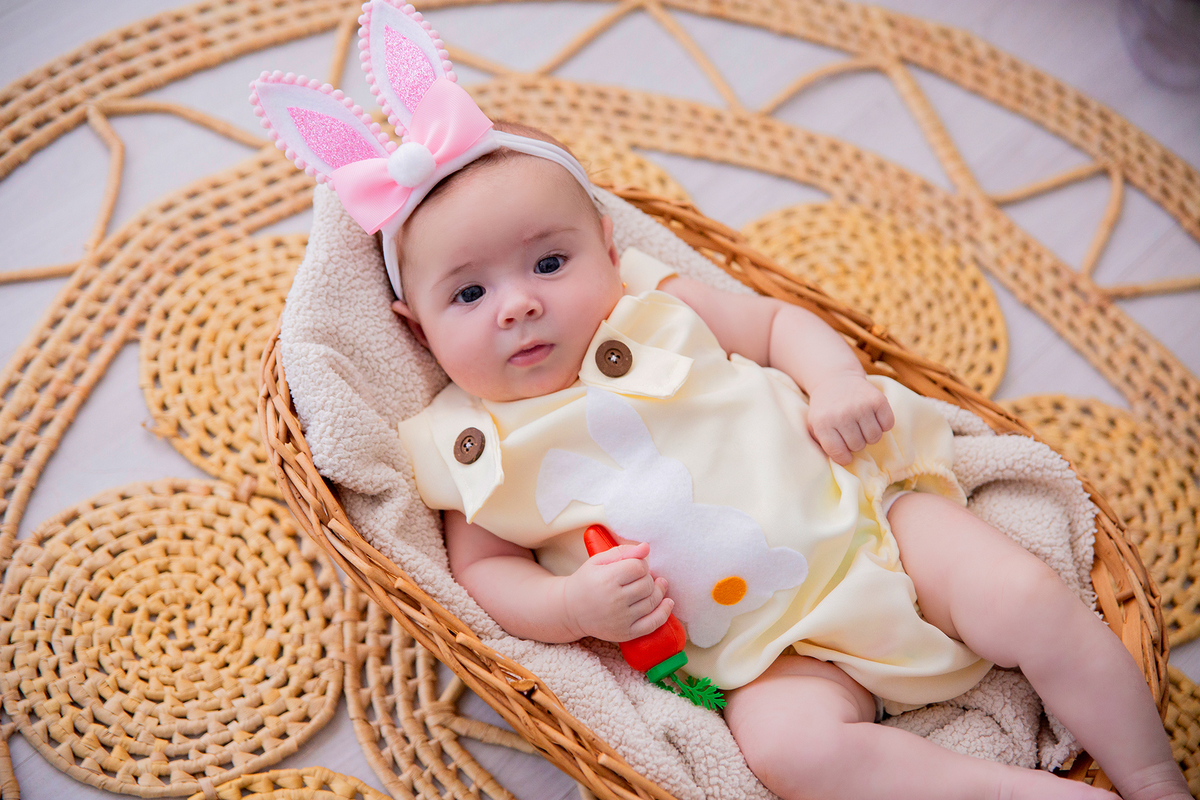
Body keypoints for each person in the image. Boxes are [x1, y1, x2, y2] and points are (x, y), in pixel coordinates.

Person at [251, 4, 1189, 796]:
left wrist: (834, 384)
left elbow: (781, 327)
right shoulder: (467, 445)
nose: (521, 302)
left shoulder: (664, 306)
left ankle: (1150, 776)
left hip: (871, 527)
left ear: (609, 255)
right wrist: (571, 603)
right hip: (765, 659)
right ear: (417, 332)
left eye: (549, 261)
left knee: (1025, 593)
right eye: (470, 294)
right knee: (787, 752)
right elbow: (486, 576)